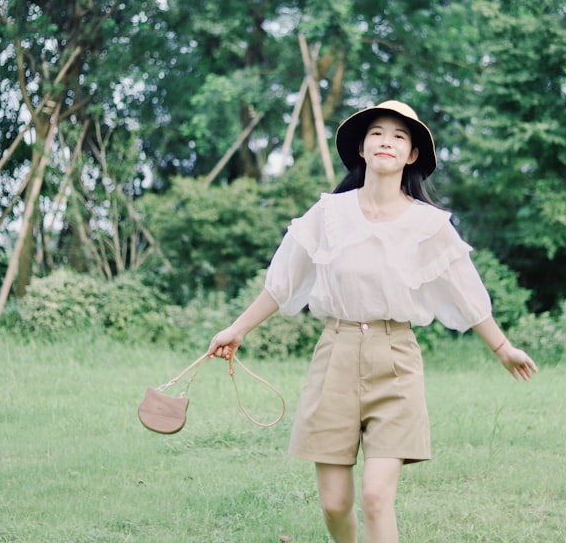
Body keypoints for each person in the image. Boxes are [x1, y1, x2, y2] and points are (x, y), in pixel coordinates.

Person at [208, 100, 538, 543]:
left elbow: (466, 292)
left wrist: (502, 347)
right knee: (334, 504)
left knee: (377, 498)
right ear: (362, 148)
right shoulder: (328, 214)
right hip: (335, 356)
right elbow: (282, 284)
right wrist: (237, 329)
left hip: (396, 360)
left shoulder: (429, 225)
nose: (387, 141)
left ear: (413, 155)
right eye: (378, 133)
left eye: (400, 136)